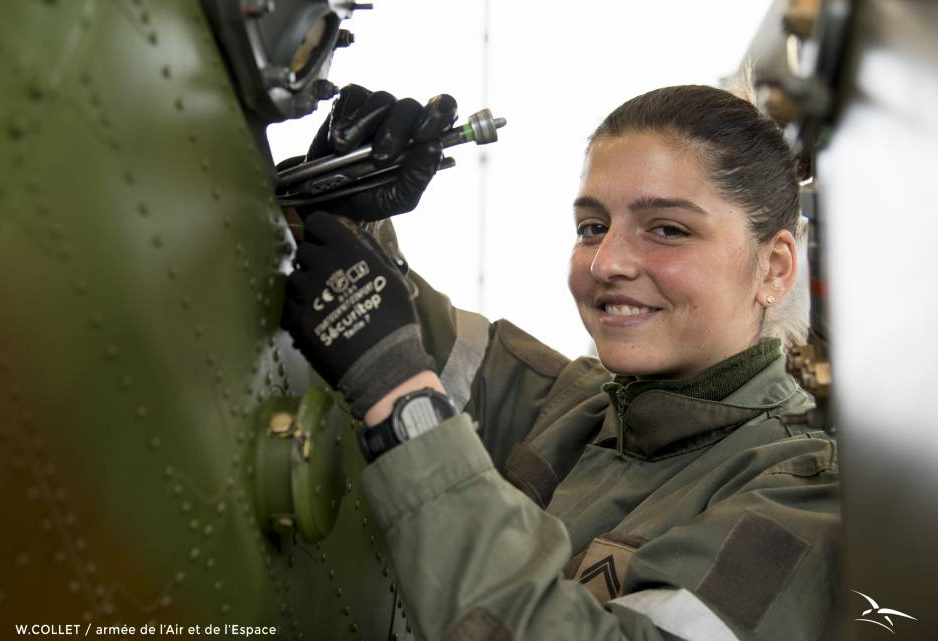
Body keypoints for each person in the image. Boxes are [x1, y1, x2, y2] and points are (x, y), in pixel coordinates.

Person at [280, 83, 839, 641]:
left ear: (774, 268)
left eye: (668, 229)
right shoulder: (568, 406)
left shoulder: (805, 498)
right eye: (592, 228)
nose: (606, 263)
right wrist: (339, 206)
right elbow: (399, 331)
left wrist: (398, 398)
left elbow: (395, 366)